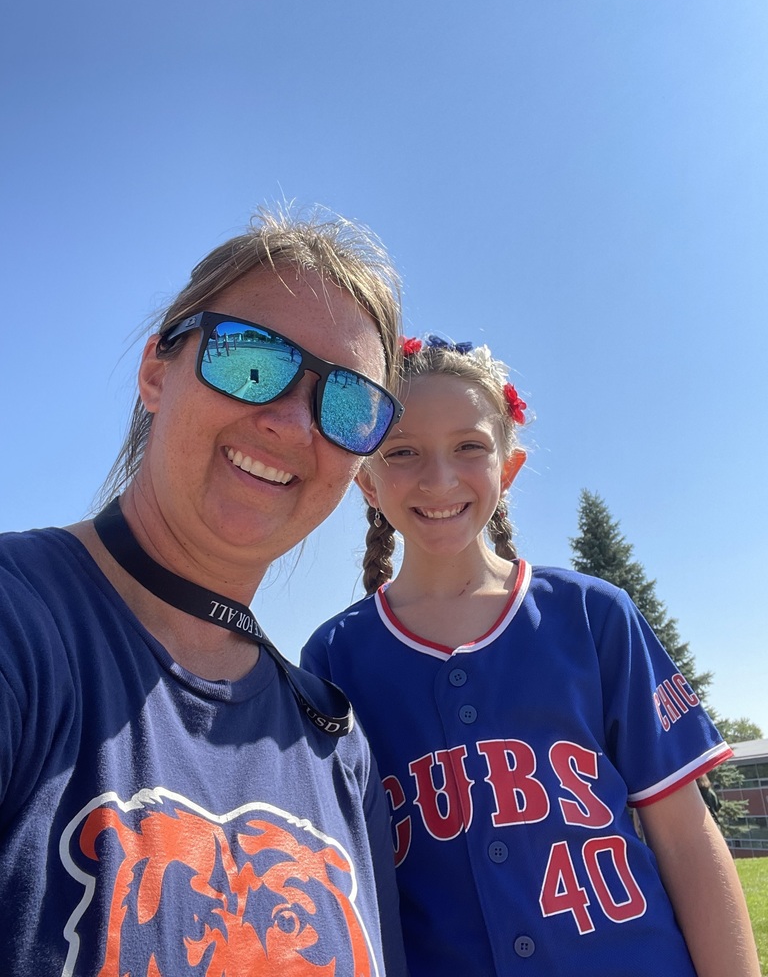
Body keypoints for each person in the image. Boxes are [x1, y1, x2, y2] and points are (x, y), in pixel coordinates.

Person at [0, 207, 410, 976]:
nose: (293, 422)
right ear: (158, 371)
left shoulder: (334, 745)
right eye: (250, 360)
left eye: (349, 405)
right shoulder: (20, 630)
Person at [301, 334, 760, 977]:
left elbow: (685, 838)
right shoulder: (334, 656)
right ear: (367, 482)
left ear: (507, 468)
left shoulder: (591, 615)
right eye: (402, 452)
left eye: (469, 447)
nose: (439, 478)